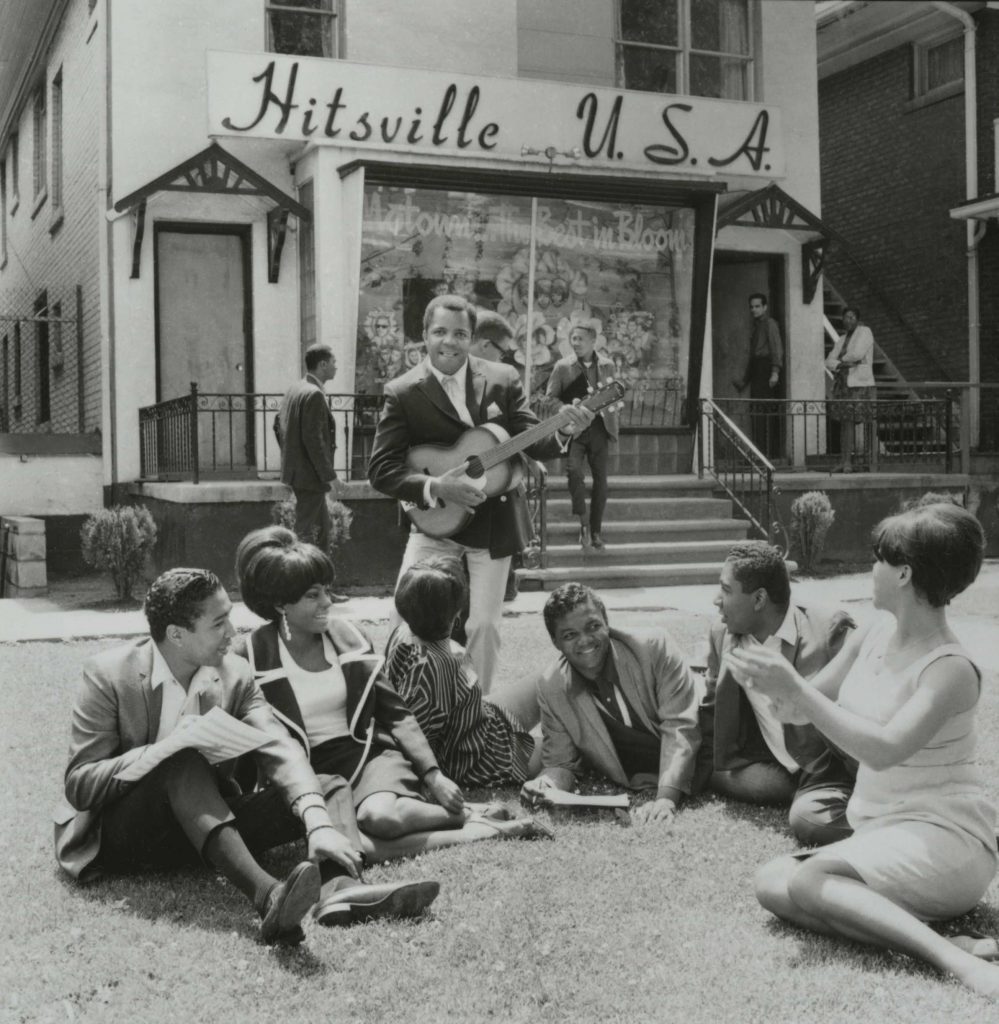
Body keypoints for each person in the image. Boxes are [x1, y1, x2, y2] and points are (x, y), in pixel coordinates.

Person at [53, 568, 435, 946]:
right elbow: (80, 785)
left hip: (209, 827)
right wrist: (158, 753)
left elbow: (278, 744)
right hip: (128, 836)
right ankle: (269, 896)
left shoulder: (235, 674)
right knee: (181, 761)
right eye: (219, 624)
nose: (232, 635)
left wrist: (316, 822)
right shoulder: (108, 674)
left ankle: (341, 889)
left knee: (329, 783)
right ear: (176, 635)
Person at [730, 499, 999, 1000]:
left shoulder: (951, 669)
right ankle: (939, 937)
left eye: (878, 559)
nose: (869, 569)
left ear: (903, 574)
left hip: (946, 840)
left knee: (808, 885)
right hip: (881, 832)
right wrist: (768, 680)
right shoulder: (872, 631)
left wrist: (797, 689)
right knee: (771, 880)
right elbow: (799, 709)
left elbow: (883, 750)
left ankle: (957, 963)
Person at [234, 526, 553, 861]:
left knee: (378, 818)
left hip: (369, 756)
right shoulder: (252, 656)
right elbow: (246, 735)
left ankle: (463, 814)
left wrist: (433, 776)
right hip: (312, 772)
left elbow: (396, 712)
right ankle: (479, 823)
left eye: (327, 591)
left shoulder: (349, 639)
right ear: (280, 604)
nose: (328, 602)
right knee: (360, 849)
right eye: (313, 596)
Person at [367, 294, 593, 695]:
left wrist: (565, 428)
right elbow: (381, 470)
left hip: (493, 525)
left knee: (483, 626)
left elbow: (531, 438)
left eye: (459, 334)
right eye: (440, 332)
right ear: (424, 335)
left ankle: (476, 710)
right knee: (405, 620)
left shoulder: (502, 378)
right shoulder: (403, 391)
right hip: (434, 526)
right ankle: (397, 707)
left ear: (472, 337)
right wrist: (436, 487)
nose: (449, 342)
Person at [699, 541, 857, 846]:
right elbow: (710, 712)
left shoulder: (830, 631)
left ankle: (889, 821)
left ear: (759, 599)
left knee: (808, 821)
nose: (717, 600)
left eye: (726, 590)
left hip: (840, 769)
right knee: (800, 813)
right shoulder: (723, 635)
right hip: (779, 768)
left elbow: (870, 709)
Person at [521, 583, 701, 826]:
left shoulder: (652, 647)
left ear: (607, 623)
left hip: (706, 750)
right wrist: (546, 785)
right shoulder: (552, 687)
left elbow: (680, 726)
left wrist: (665, 798)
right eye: (570, 635)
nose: (585, 641)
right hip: (643, 775)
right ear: (556, 642)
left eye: (593, 626)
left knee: (756, 783)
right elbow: (561, 762)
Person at [386, 556, 541, 787]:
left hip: (483, 723)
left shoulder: (403, 632)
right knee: (566, 747)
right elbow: (413, 739)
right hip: (482, 759)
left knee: (545, 680)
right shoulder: (441, 664)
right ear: (456, 615)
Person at [276, 345, 347, 599]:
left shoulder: (296, 389)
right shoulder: (314, 394)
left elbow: (278, 424)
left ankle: (322, 588)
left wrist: (290, 459)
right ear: (323, 365)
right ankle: (299, 586)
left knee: (324, 533)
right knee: (306, 535)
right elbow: (314, 440)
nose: (337, 366)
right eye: (334, 361)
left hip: (301, 475)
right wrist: (330, 475)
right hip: (311, 478)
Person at [546, 322, 619, 550]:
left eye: (580, 339)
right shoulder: (562, 366)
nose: (575, 343)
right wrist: (567, 410)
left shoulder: (608, 365)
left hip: (600, 428)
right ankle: (584, 523)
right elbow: (550, 399)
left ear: (593, 341)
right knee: (574, 472)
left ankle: (596, 531)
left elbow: (615, 394)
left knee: (601, 482)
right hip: (574, 430)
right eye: (573, 339)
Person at [825, 306, 877, 473]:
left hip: (860, 385)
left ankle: (869, 461)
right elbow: (828, 361)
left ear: (857, 319)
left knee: (864, 421)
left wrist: (839, 361)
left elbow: (857, 354)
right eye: (846, 317)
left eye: (852, 317)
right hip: (844, 384)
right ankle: (845, 461)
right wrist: (842, 363)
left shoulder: (865, 332)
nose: (849, 320)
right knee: (845, 423)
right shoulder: (841, 339)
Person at [733, 293, 783, 456]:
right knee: (756, 411)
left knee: (763, 411)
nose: (754, 309)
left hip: (766, 369)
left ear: (765, 307)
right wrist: (745, 380)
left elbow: (776, 348)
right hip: (757, 369)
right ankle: (758, 452)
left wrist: (775, 372)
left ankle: (766, 453)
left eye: (757, 306)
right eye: (751, 307)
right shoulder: (756, 326)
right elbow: (753, 357)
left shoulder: (770, 324)